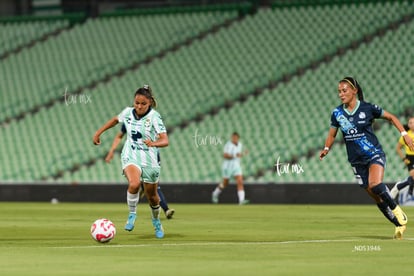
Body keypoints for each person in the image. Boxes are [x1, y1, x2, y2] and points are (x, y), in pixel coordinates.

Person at [319, 77, 414, 240]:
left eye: (344, 90)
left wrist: (404, 134)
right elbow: (332, 133)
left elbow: (391, 117)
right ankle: (398, 224)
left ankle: (397, 210)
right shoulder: (337, 113)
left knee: (375, 183)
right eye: (339, 91)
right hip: (356, 161)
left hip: (374, 153)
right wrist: (326, 148)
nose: (341, 94)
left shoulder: (368, 108)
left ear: (354, 91)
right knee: (375, 196)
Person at [93, 85, 168, 238]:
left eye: (143, 104)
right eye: (137, 103)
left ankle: (156, 222)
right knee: (134, 183)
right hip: (131, 154)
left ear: (149, 103)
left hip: (150, 158)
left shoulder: (154, 117)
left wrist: (153, 143)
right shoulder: (127, 112)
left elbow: (165, 140)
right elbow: (115, 120)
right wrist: (98, 133)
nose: (139, 106)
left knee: (152, 196)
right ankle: (132, 214)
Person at [105, 124, 175, 219]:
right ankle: (166, 209)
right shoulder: (128, 119)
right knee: (144, 184)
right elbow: (119, 135)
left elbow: (162, 138)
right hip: (134, 156)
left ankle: (146, 190)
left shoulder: (153, 120)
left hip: (151, 157)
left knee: (155, 188)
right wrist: (112, 151)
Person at [212, 132, 249, 204]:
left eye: (235, 137)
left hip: (236, 166)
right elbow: (225, 155)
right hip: (227, 167)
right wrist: (235, 155)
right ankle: (215, 193)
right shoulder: (228, 145)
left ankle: (241, 200)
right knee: (225, 183)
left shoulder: (240, 145)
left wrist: (243, 154)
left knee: (240, 181)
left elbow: (238, 155)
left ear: (238, 138)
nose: (234, 139)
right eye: (233, 137)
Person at [391, 116, 414, 200]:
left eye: (413, 122)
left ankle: (400, 186)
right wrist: (404, 158)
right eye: (410, 122)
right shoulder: (406, 135)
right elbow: (398, 148)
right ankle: (406, 188)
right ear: (408, 124)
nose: (412, 124)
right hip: (410, 158)